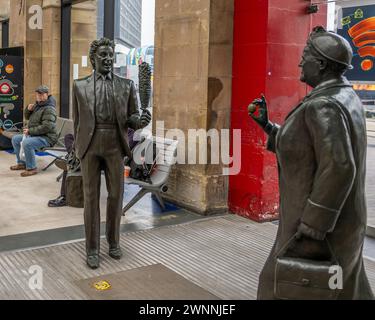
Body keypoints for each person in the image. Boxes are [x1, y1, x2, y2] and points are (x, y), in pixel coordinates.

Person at [248, 26, 374, 300]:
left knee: (275, 283)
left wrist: (314, 224)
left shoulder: (323, 105)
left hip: (320, 224)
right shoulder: (347, 96)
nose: (299, 62)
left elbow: (340, 166)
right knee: (345, 285)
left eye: (305, 55)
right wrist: (269, 127)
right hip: (346, 220)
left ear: (321, 64)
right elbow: (310, 149)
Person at [72, 38, 151, 269]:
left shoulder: (126, 85)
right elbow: (77, 121)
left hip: (115, 146)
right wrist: (78, 149)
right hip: (90, 146)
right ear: (93, 59)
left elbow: (132, 118)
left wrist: (141, 121)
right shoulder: (79, 85)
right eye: (103, 55)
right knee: (91, 198)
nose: (108, 59)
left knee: (116, 197)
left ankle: (114, 242)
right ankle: (92, 248)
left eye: (110, 55)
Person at [48, 129, 138, 208]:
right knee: (69, 137)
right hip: (90, 152)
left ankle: (75, 157)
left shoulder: (129, 132)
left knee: (72, 162)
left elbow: (124, 149)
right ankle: (75, 155)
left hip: (106, 160)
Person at [10, 85, 57, 177]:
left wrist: (30, 131)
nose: (39, 96)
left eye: (42, 94)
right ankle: (22, 163)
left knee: (27, 143)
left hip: (47, 138)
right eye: (38, 94)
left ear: (47, 95)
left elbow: (47, 127)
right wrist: (28, 110)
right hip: (37, 135)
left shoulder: (49, 108)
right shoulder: (38, 105)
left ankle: (32, 168)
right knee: (15, 139)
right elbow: (28, 117)